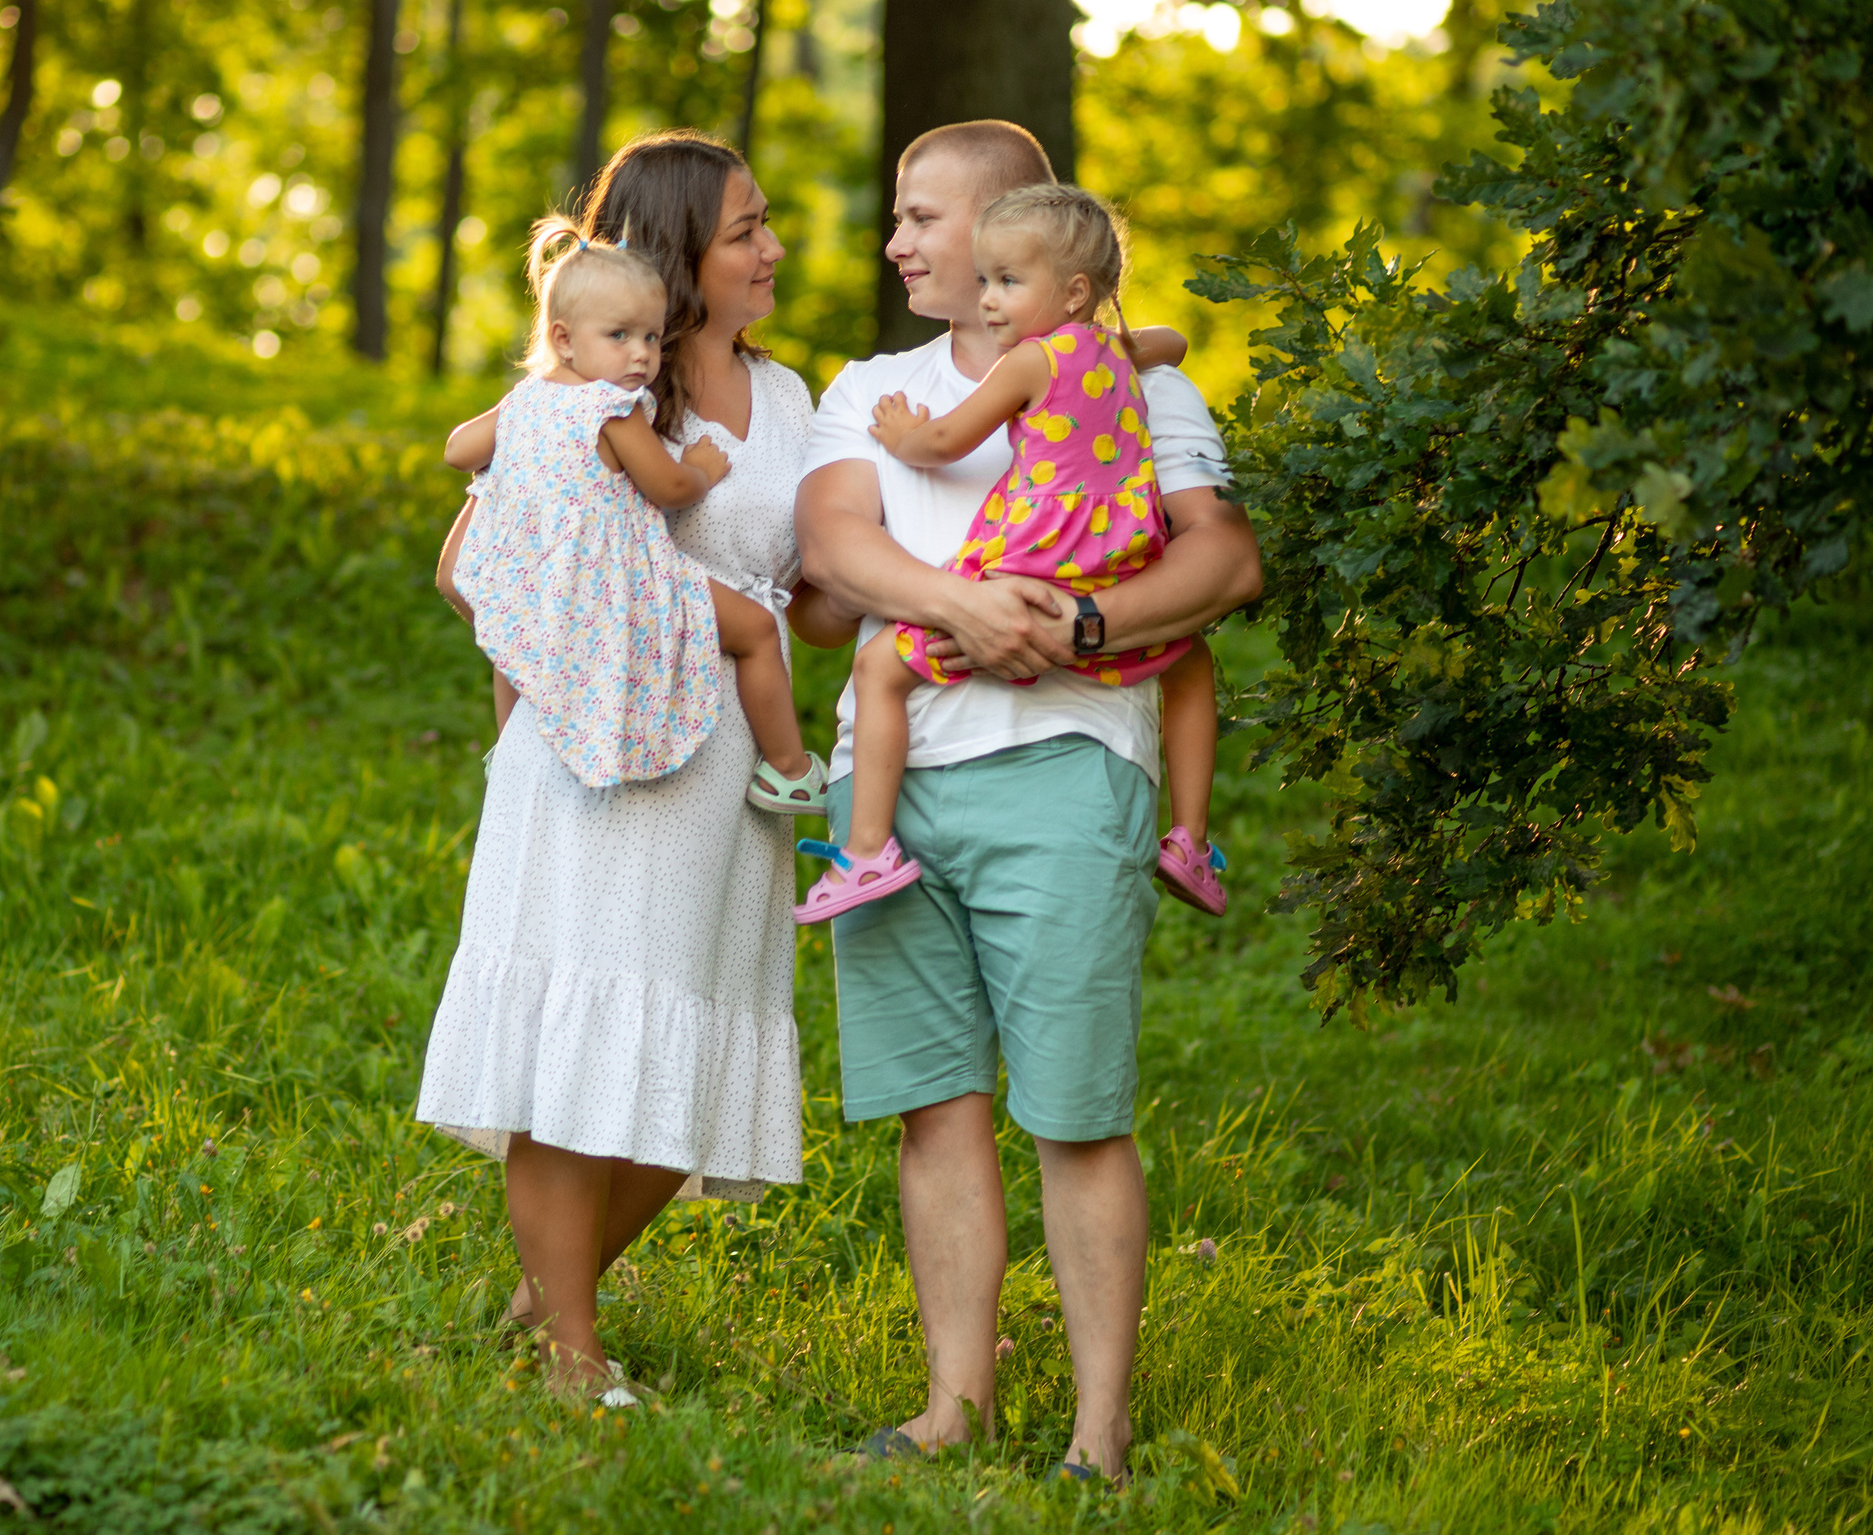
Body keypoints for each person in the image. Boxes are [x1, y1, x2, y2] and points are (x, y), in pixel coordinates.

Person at [793, 120, 1263, 1479]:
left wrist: (1084, 627)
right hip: (890, 779)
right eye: (900, 215)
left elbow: (1223, 560)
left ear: (1022, 232)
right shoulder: (870, 384)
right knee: (935, 1102)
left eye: (925, 217)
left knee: (1074, 1107)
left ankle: (1099, 1437)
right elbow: (836, 543)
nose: (900, 242)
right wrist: (968, 610)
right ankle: (954, 1404)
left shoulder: (1134, 384)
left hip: (1065, 768)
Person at [418, 131, 849, 1404]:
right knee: (570, 1042)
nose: (772, 250)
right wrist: (571, 661)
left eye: (768, 224)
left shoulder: (793, 399)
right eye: (744, 232)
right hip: (595, 752)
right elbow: (467, 569)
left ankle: (543, 1302)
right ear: (671, 256)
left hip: (732, 778)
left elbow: (813, 591)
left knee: (690, 1064)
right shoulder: (586, 400)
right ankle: (569, 1353)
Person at [793, 182, 1219, 922]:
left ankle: (865, 851)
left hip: (1038, 558)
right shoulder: (1118, 357)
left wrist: (900, 434)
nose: (990, 301)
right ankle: (1189, 836)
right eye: (986, 280)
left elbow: (946, 442)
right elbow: (1172, 341)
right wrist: (1126, 337)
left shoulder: (1027, 363)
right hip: (1119, 555)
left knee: (878, 667)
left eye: (1009, 282)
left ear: (1075, 289)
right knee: (1187, 657)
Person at [444, 224, 826, 810]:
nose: (641, 354)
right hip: (617, 575)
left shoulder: (525, 398)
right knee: (752, 631)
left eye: (650, 336)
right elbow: (668, 487)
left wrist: (515, 427)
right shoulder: (613, 408)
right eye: (619, 335)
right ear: (564, 339)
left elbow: (457, 450)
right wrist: (701, 467)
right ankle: (788, 768)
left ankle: (512, 751)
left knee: (519, 638)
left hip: (545, 576)